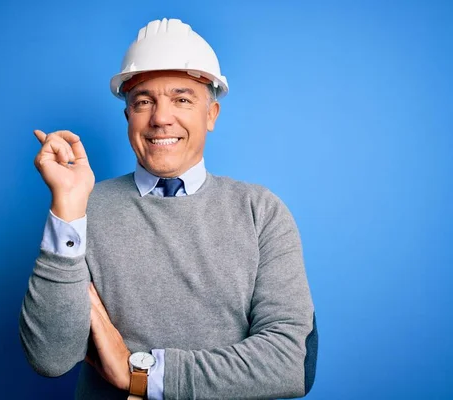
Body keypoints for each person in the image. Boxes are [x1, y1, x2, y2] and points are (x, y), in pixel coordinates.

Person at [19, 18, 318, 399]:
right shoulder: (82, 211)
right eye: (144, 101)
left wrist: (139, 374)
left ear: (211, 115)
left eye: (182, 99)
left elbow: (289, 363)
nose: (161, 118)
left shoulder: (261, 211)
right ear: (128, 116)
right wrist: (68, 208)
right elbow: (51, 357)